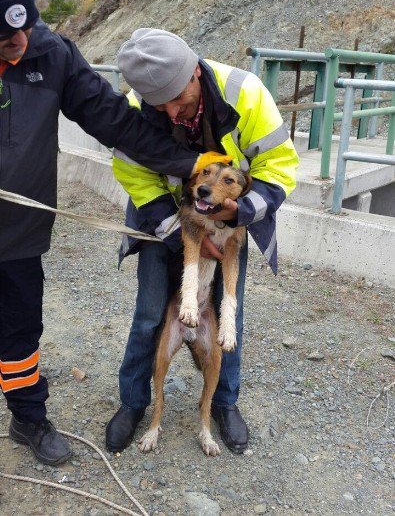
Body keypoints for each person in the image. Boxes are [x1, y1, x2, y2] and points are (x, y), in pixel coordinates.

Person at [0, 0, 228, 467]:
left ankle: (28, 419)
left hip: (18, 234)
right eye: (4, 37)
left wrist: (192, 161)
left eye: (26, 26)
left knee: (19, 330)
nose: (19, 43)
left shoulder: (51, 53)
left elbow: (116, 123)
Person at [106, 28, 299, 455]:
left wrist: (239, 213)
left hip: (231, 216)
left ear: (195, 72)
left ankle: (224, 404)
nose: (172, 113)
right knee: (149, 312)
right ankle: (133, 402)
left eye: (178, 99)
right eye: (161, 106)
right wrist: (177, 232)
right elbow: (133, 172)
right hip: (164, 215)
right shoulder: (141, 105)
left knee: (232, 314)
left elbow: (280, 167)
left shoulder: (246, 93)